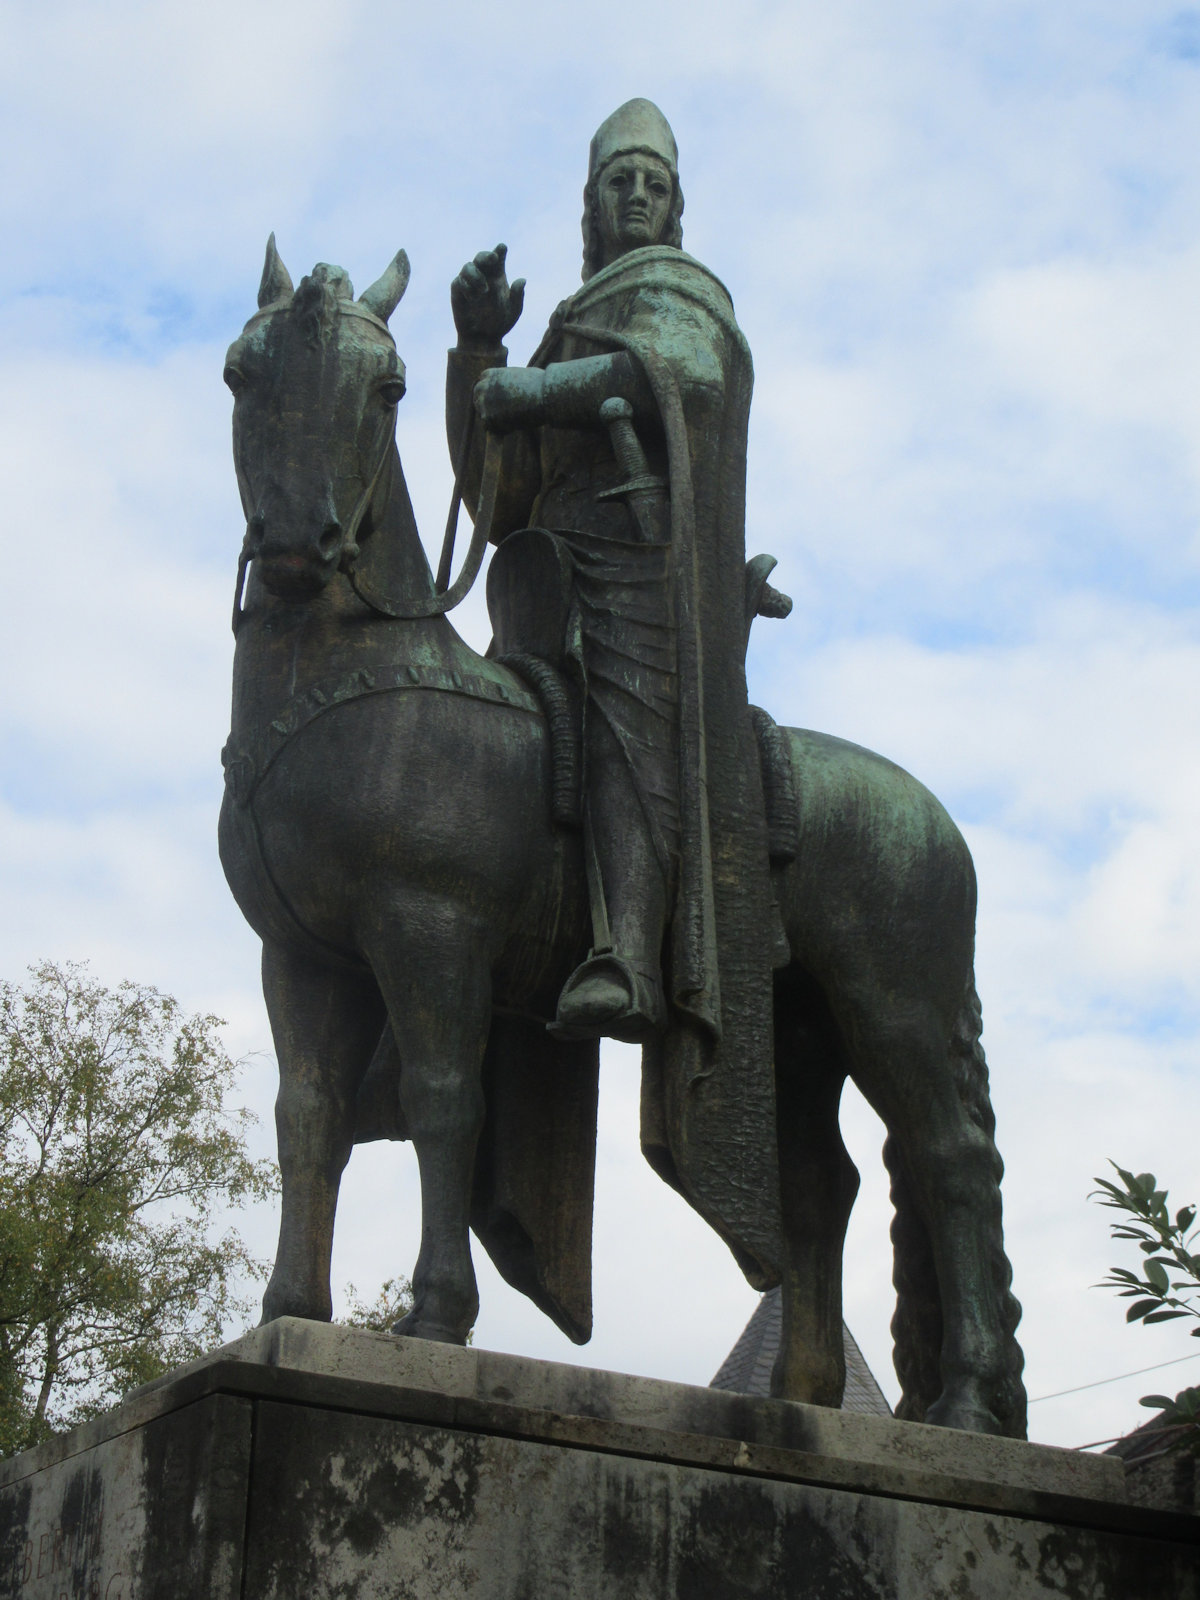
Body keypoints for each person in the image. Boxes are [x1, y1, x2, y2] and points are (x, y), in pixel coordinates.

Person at [446, 99, 784, 1279]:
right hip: (544, 581)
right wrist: (481, 354)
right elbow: (495, 495)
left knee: (624, 706)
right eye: (617, 183)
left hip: (643, 577)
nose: (636, 196)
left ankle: (634, 952)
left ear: (672, 201)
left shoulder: (684, 295)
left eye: (652, 180)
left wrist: (538, 394)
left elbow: (682, 378)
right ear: (588, 206)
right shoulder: (569, 322)